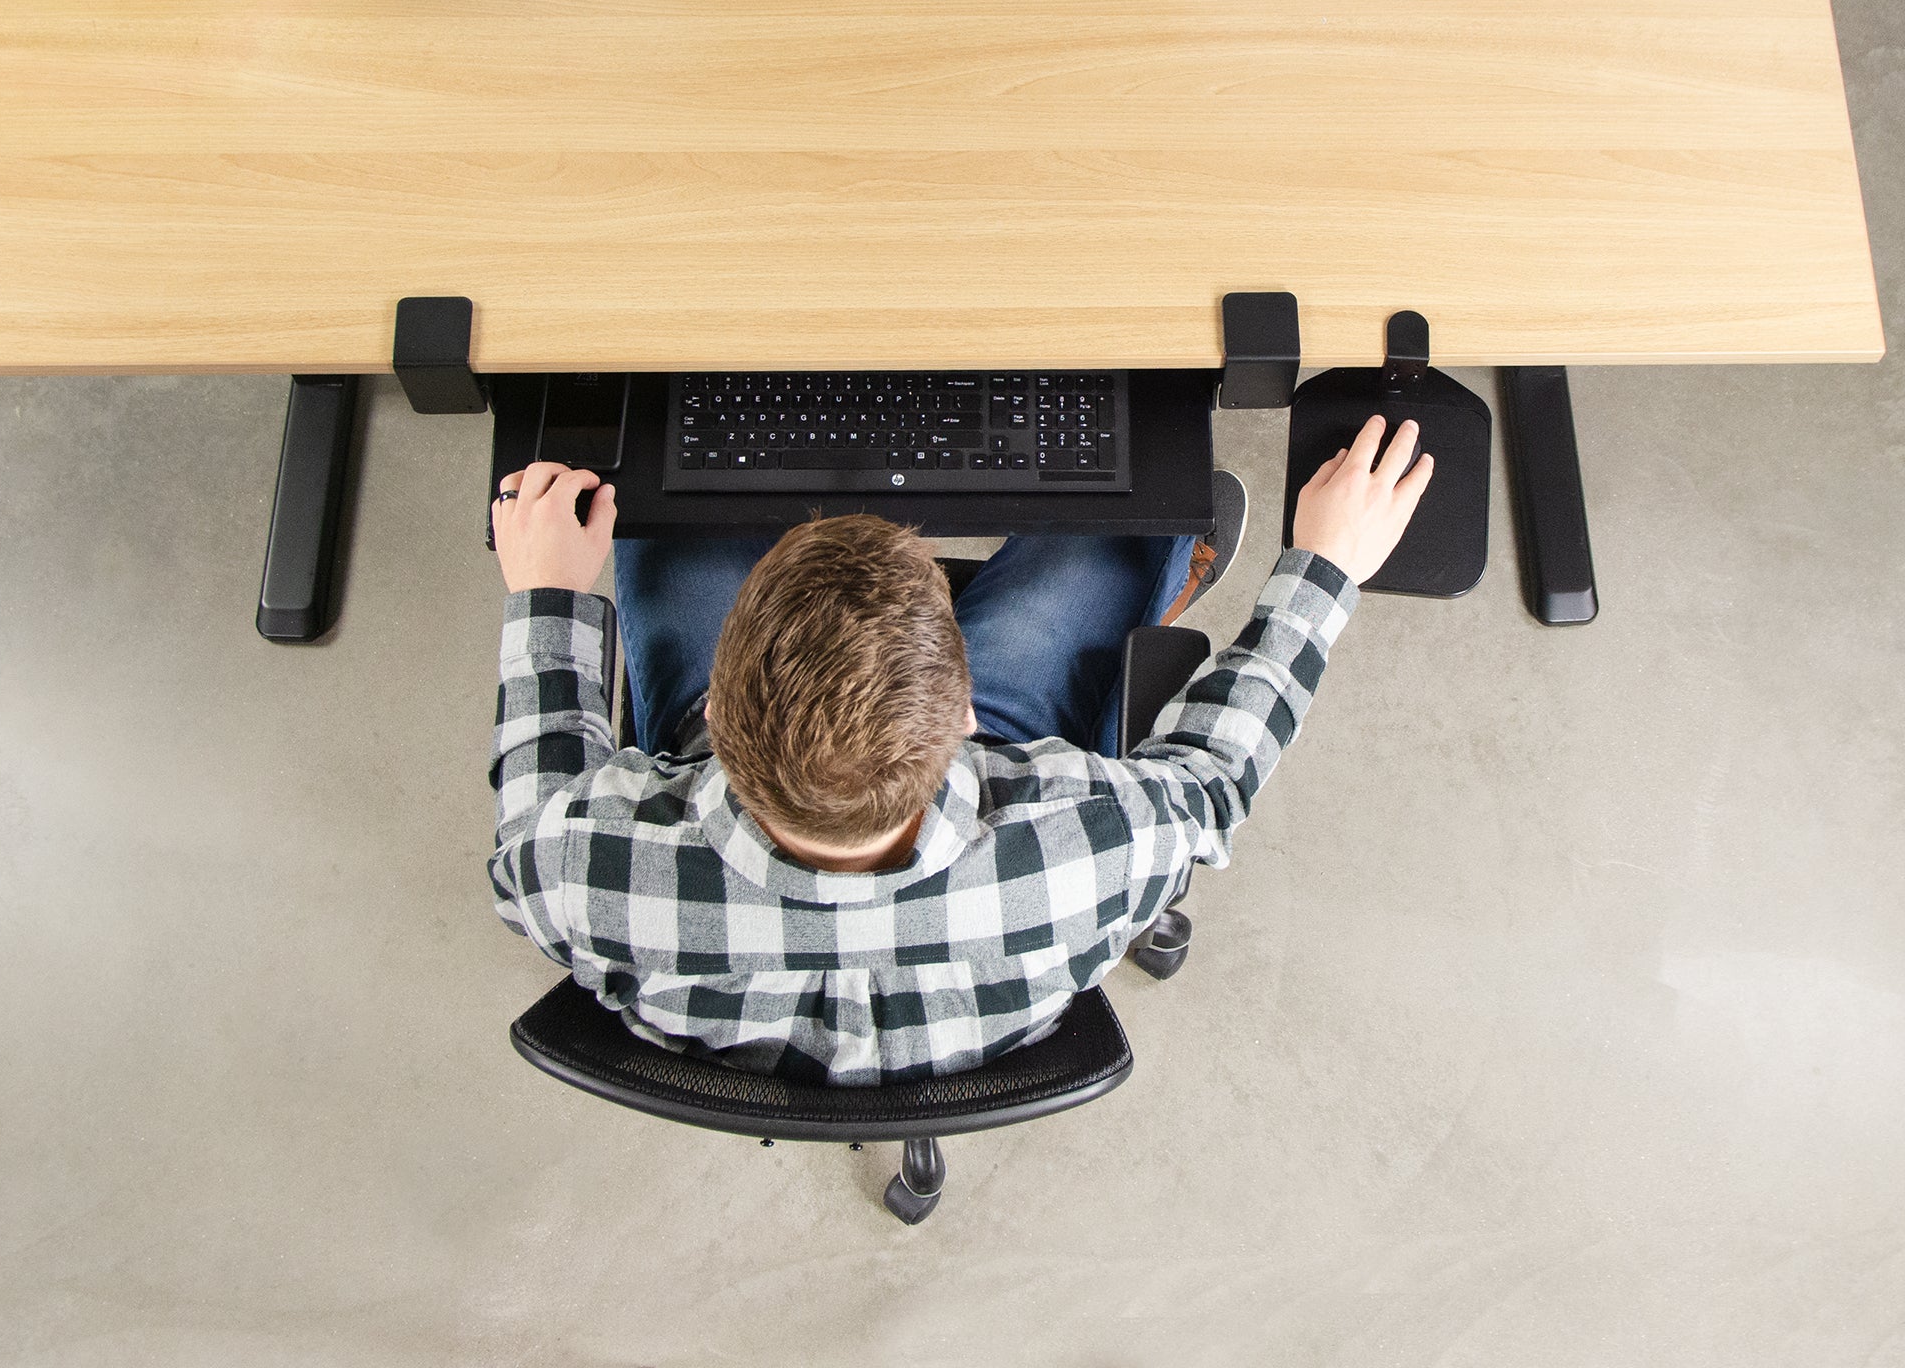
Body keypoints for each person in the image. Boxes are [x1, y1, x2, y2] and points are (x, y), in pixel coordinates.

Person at [487, 416, 1432, 1084]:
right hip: (960, 814)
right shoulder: (1086, 854)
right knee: (1138, 502)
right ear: (969, 710)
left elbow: (529, 825)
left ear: (715, 701)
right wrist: (1327, 566)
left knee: (660, 501)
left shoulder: (579, 870)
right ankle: (1159, 565)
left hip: (763, 822)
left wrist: (548, 594)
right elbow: (1212, 780)